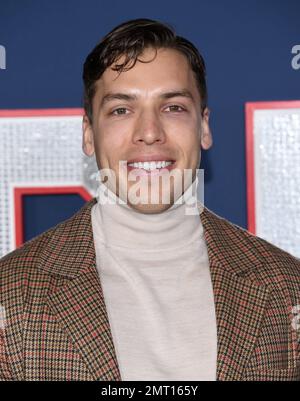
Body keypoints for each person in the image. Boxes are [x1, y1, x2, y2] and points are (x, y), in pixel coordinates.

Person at [0, 18, 299, 381]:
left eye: (172, 107)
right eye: (121, 110)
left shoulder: (287, 285)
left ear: (204, 127)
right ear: (89, 134)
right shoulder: (10, 292)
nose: (149, 133)